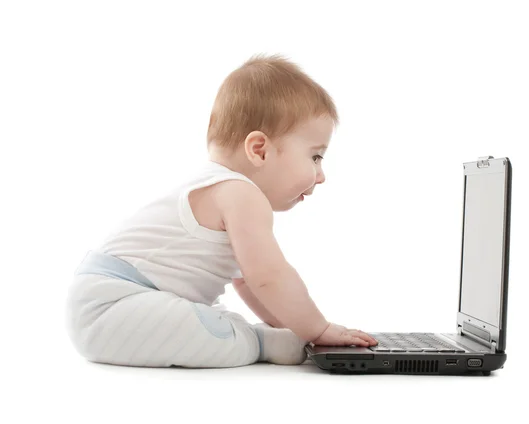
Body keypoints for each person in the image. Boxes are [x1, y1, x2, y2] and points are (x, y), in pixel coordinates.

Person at [65, 53, 378, 368]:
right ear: (259, 150)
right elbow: (269, 277)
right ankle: (258, 343)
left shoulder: (223, 190)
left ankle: (262, 338)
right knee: (217, 333)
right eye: (315, 157)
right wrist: (318, 329)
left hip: (112, 304)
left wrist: (293, 328)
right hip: (111, 307)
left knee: (213, 320)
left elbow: (253, 284)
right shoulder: (240, 194)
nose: (321, 175)